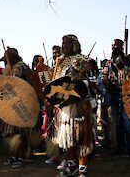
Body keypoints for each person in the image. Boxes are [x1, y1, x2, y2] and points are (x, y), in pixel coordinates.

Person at [51, 34, 93, 177]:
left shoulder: (81, 59)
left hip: (78, 104)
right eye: (63, 43)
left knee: (80, 135)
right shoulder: (60, 61)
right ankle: (71, 163)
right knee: (69, 136)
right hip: (64, 105)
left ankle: (82, 168)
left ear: (75, 45)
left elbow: (86, 81)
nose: (64, 46)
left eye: (68, 43)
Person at [102, 39, 130, 159]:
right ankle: (120, 148)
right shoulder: (108, 63)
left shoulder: (127, 60)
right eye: (112, 45)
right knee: (117, 122)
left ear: (122, 46)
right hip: (113, 95)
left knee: (128, 123)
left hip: (126, 95)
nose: (114, 47)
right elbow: (104, 78)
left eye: (117, 45)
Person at [1, 47, 33, 168]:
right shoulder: (6, 70)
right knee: (10, 133)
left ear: (15, 55)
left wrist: (20, 85)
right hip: (10, 106)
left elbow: (31, 81)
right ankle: (13, 155)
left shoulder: (22, 67)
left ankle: (21, 156)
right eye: (4, 55)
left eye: (8, 54)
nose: (5, 56)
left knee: (22, 133)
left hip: (22, 105)